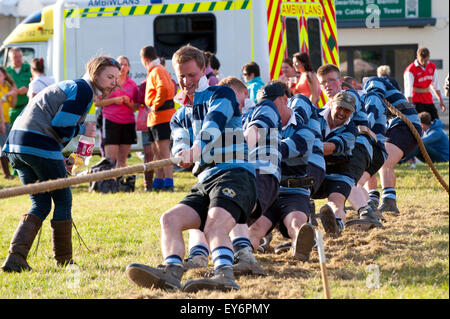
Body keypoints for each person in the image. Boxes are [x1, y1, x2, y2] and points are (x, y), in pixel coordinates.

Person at [125, 45, 257, 292]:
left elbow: (212, 126)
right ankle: (171, 273)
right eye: (181, 76)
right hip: (205, 180)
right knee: (170, 219)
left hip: (234, 174)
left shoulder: (222, 94)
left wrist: (196, 150)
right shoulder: (179, 114)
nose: (186, 81)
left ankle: (224, 275)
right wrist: (181, 157)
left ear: (203, 71)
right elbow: (180, 144)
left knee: (214, 226)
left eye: (192, 75)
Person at [1, 56, 120, 273]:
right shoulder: (84, 89)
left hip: (17, 146)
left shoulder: (74, 86)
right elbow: (60, 125)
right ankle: (64, 261)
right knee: (63, 199)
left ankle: (15, 258)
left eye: (116, 78)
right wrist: (84, 130)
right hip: (37, 143)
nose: (114, 82)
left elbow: (53, 125)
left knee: (41, 203)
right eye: (109, 76)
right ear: (95, 74)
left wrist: (61, 156)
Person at [183, 78, 282, 276]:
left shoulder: (261, 108)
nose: (228, 106)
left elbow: (253, 134)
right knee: (207, 207)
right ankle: (200, 255)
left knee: (229, 206)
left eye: (231, 98)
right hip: (233, 172)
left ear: (245, 93)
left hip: (260, 169)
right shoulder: (224, 117)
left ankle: (243, 256)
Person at [248, 82, 317, 261]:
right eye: (263, 105)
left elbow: (281, 150)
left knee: (296, 225)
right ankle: (240, 258)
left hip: (294, 192)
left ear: (284, 100)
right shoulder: (262, 126)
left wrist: (259, 144)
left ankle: (300, 251)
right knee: (254, 229)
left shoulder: (304, 130)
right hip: (269, 193)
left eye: (271, 103)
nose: (267, 108)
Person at [317, 64, 383, 230]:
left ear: (340, 81)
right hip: (349, 151)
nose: (327, 85)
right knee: (340, 185)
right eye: (323, 82)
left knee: (347, 179)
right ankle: (349, 215)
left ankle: (367, 213)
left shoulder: (348, 96)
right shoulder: (326, 108)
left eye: (331, 80)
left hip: (360, 147)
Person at [364, 76, 422, 214]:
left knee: (385, 162)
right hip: (399, 127)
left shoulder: (372, 82)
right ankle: (372, 199)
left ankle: (389, 202)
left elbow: (374, 97)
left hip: (405, 126)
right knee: (368, 160)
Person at [312, 92, 358, 236]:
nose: (342, 113)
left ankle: (337, 224)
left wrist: (301, 145)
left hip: (339, 172)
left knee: (336, 202)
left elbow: (330, 148)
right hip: (313, 170)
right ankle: (304, 219)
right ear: (331, 103)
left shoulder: (351, 130)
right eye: (340, 108)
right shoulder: (314, 116)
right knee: (300, 194)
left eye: (347, 110)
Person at [140, 46, 176, 191]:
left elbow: (164, 88)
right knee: (157, 151)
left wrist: (155, 104)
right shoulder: (157, 70)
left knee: (164, 151)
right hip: (156, 117)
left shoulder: (157, 71)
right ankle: (159, 182)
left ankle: (169, 183)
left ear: (144, 59)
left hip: (161, 115)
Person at [95, 56, 138, 168]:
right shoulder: (109, 82)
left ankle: (119, 183)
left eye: (125, 64)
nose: (123, 67)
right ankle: (108, 184)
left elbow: (136, 107)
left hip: (128, 123)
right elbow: (97, 102)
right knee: (110, 160)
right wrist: (113, 100)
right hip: (111, 122)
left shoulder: (132, 84)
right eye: (121, 64)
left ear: (129, 67)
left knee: (122, 160)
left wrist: (129, 103)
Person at [404, 47, 446, 121]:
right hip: (416, 101)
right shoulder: (410, 70)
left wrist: (441, 101)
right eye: (422, 60)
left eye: (426, 60)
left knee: (436, 121)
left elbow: (435, 86)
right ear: (417, 57)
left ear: (429, 57)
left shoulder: (432, 66)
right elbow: (408, 91)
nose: (424, 63)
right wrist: (410, 108)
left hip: (428, 99)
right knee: (421, 123)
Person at [6, 47, 32, 126]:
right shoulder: (6, 72)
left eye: (20, 56)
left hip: (27, 109)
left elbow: (37, 84)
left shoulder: (29, 68)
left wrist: (28, 89)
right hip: (12, 110)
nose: (18, 59)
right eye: (15, 57)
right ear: (10, 58)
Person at [0, 66, 17, 179]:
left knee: (6, 146)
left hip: (6, 120)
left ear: (4, 75)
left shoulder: (6, 87)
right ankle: (7, 174)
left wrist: (13, 93)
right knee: (3, 147)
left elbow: (12, 105)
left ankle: (7, 173)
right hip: (1, 121)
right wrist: (1, 122)